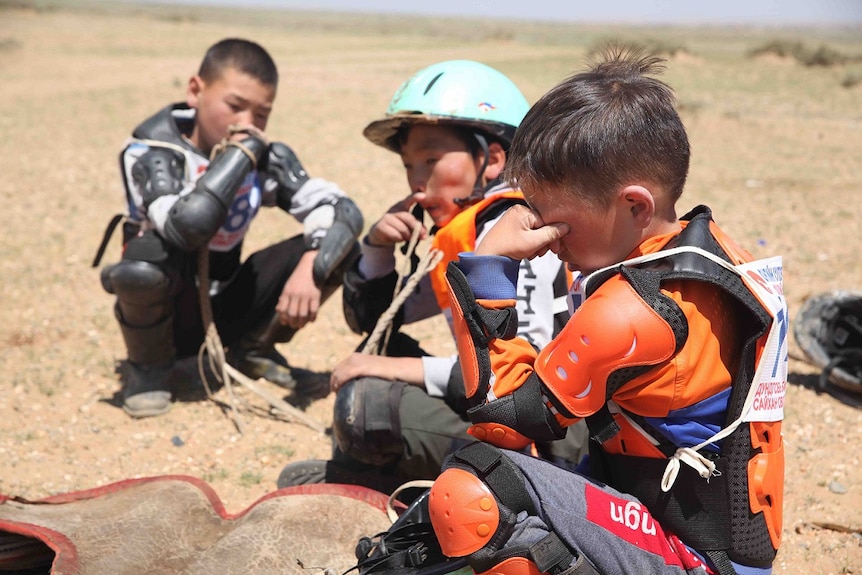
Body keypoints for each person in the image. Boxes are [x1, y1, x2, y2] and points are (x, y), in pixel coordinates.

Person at [425, 46, 788, 575]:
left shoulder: (633, 310)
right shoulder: (708, 255)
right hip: (716, 539)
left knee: (476, 483)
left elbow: (502, 417)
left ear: (635, 206)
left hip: (694, 555)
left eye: (560, 223)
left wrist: (488, 267)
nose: (547, 238)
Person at [277, 60, 589, 493]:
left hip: (558, 435)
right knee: (378, 355)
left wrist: (388, 367)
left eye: (431, 160)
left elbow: (525, 374)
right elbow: (377, 319)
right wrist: (377, 249)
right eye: (409, 165)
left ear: (493, 158)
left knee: (366, 404)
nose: (417, 182)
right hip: (515, 406)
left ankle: (494, 485)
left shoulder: (516, 230)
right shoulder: (464, 231)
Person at [96, 38, 363, 418]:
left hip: (225, 300)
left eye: (262, 115)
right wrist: (240, 156)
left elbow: (343, 210)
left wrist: (312, 265)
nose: (247, 125)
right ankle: (149, 370)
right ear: (195, 91)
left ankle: (251, 350)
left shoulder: (265, 156)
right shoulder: (151, 152)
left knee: (339, 246)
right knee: (143, 262)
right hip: (170, 310)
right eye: (235, 107)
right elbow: (187, 227)